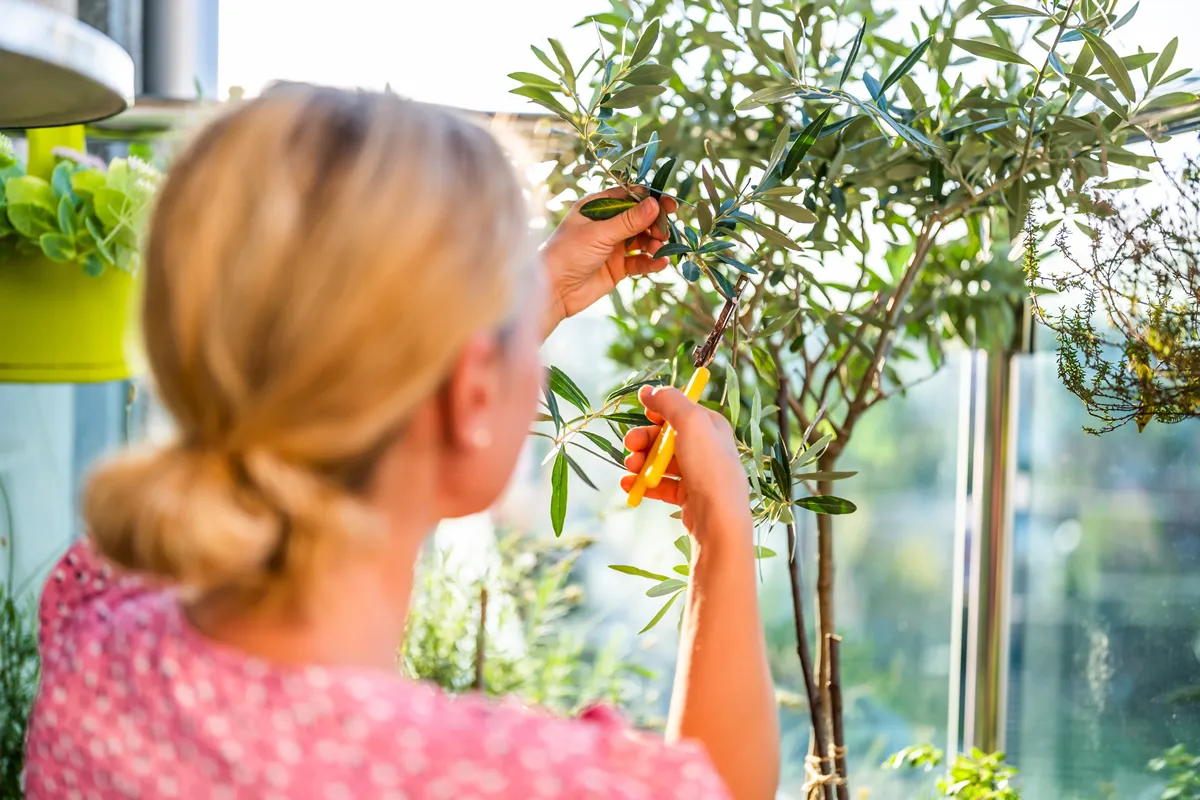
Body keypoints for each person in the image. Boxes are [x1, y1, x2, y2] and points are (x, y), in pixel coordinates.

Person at [24, 84, 779, 800]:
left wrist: (532, 294)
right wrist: (722, 530)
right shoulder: (492, 777)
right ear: (473, 390)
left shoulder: (93, 635)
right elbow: (717, 787)